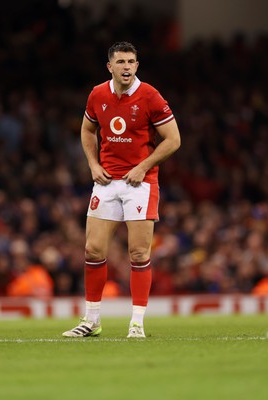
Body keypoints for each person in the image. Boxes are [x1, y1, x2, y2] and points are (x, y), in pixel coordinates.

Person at [62, 41, 181, 338]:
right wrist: (92, 163)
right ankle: (91, 321)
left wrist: (144, 166)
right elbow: (87, 130)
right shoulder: (97, 94)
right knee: (92, 249)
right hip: (106, 181)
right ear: (110, 66)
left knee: (139, 253)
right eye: (121, 62)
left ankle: (137, 323)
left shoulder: (150, 96)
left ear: (137, 66)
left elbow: (173, 139)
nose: (126, 67)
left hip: (140, 183)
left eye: (131, 62)